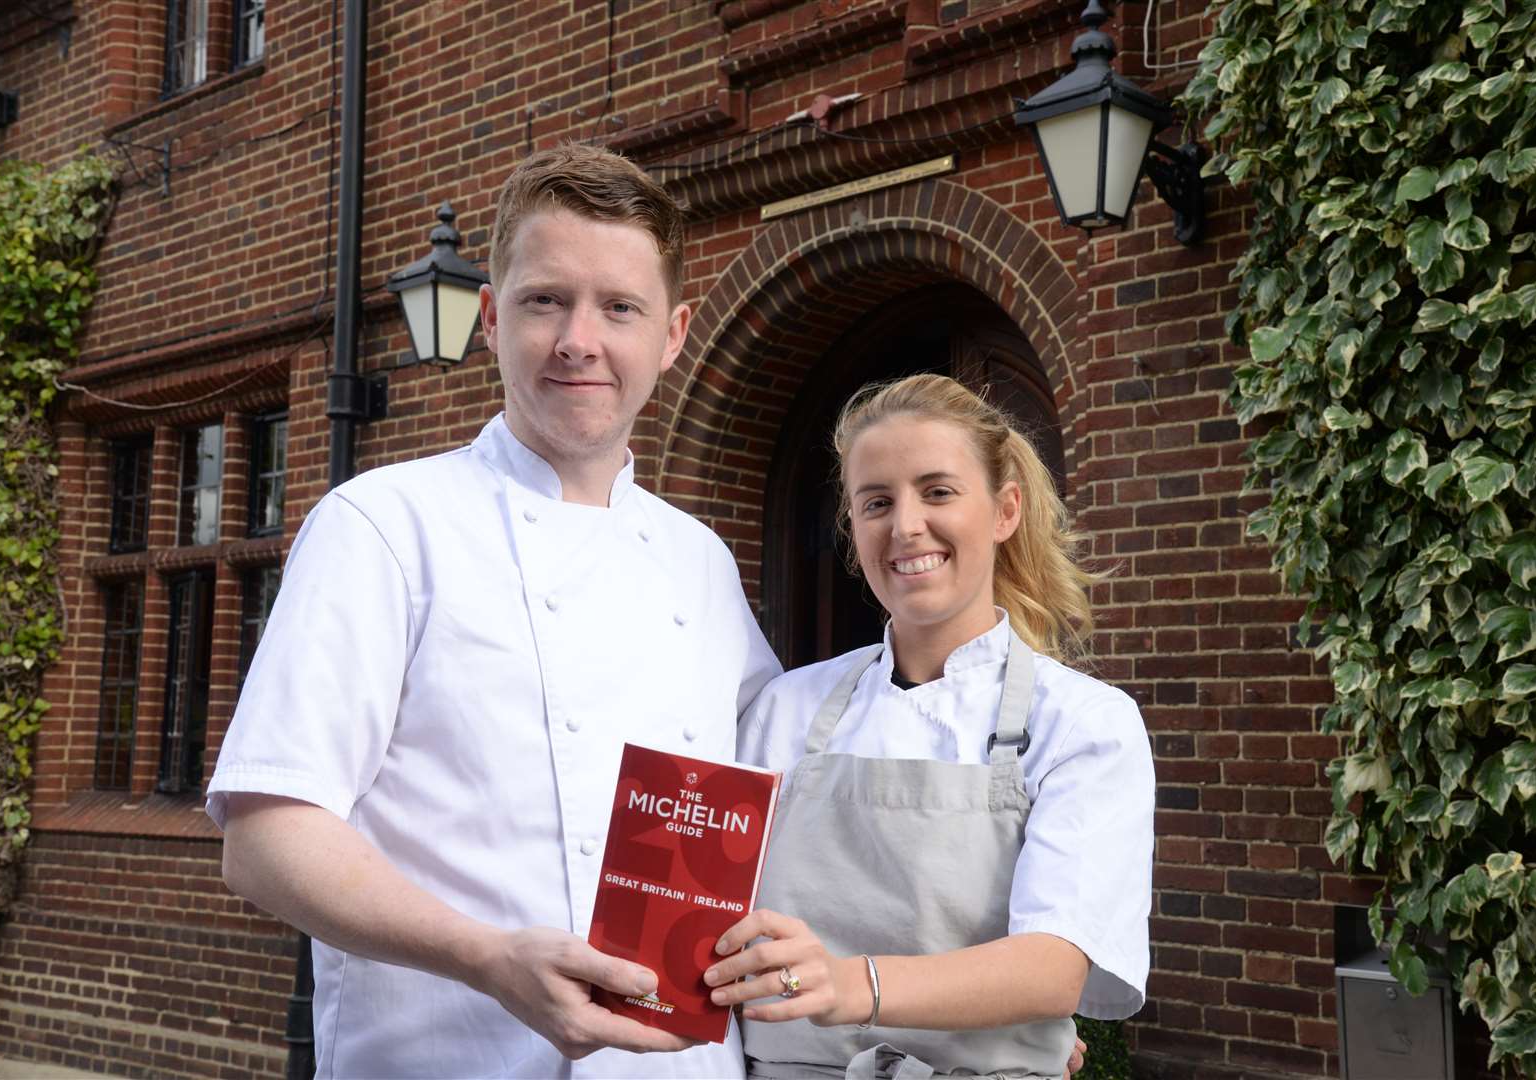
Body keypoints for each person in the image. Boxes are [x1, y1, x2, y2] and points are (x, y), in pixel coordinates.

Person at [208, 144, 780, 1077]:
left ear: (673, 337)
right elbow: (268, 838)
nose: (578, 340)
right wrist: (487, 958)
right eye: (546, 299)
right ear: (490, 316)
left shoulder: (701, 563)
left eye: (620, 308)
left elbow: (778, 809)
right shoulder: (383, 526)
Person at [711, 374, 1154, 1079]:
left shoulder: (1082, 724)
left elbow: (1053, 966)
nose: (906, 525)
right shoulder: (783, 710)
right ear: (854, 532)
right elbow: (703, 912)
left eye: (938, 491)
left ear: (1005, 510)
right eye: (877, 502)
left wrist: (850, 984)